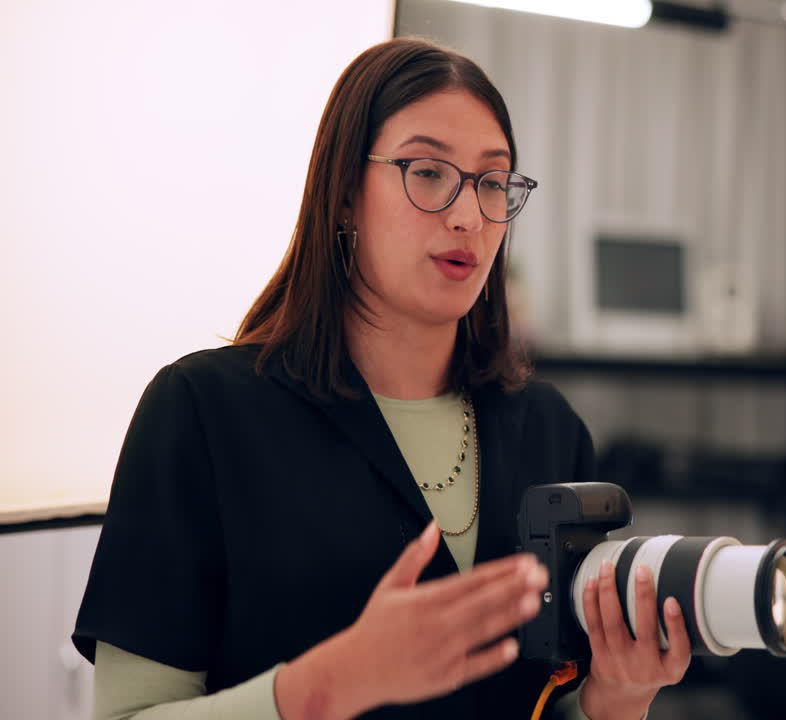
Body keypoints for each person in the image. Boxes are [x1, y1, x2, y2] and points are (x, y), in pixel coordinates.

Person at [72, 38, 690, 720]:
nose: (467, 215)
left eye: (492, 181)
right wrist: (329, 683)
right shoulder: (200, 413)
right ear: (342, 197)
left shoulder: (547, 429)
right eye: (427, 172)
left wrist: (619, 697)